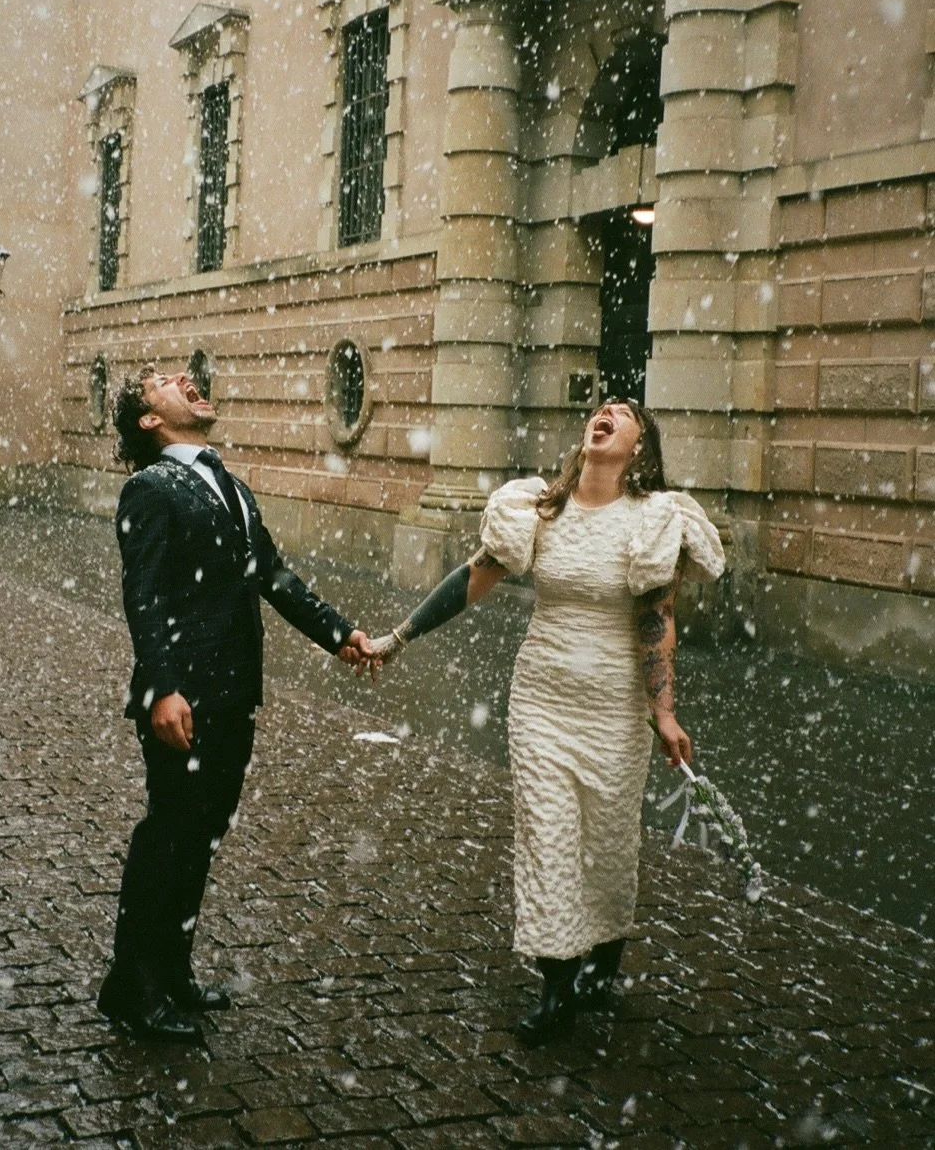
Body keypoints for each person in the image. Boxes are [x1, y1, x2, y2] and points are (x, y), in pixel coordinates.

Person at [371, 399, 724, 1044]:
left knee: (609, 841)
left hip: (614, 708)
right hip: (541, 700)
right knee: (549, 833)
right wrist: (397, 638)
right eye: (601, 408)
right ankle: (557, 982)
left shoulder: (652, 520)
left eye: (623, 413)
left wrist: (663, 711)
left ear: (641, 445)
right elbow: (470, 580)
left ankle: (602, 964)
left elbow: (656, 620)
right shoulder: (538, 510)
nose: (606, 413)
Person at [98, 364, 373, 1042]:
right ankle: (132, 989)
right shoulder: (149, 488)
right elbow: (147, 596)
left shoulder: (229, 485)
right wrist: (163, 688)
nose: (186, 380)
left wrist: (340, 635)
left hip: (230, 694)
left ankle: (172, 973)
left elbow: (274, 577)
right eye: (165, 382)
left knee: (199, 840)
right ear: (149, 421)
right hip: (184, 699)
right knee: (169, 837)